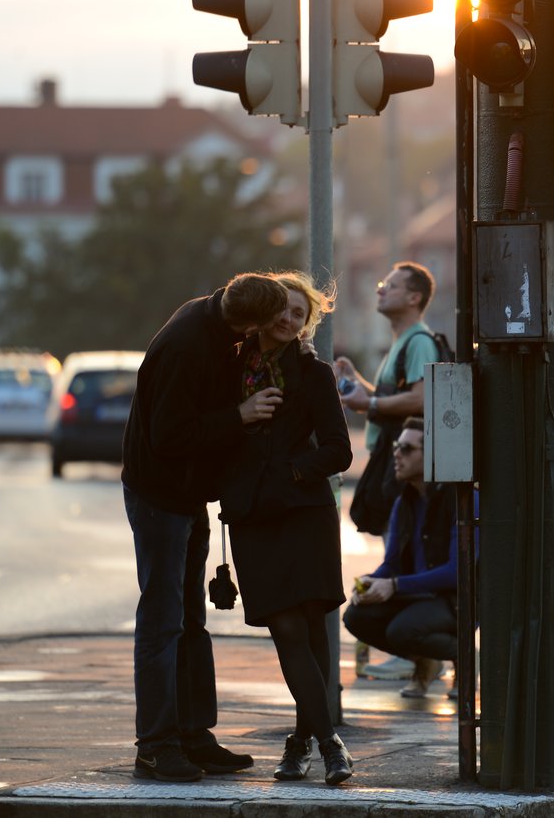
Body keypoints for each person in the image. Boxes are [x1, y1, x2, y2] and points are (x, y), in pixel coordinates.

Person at [122, 273, 289, 783]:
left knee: (189, 622)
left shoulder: (220, 326)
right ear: (249, 321)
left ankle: (192, 735)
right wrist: (239, 415)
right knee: (162, 621)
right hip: (159, 496)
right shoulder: (187, 344)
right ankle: (154, 747)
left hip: (185, 494)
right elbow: (170, 436)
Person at [219, 271, 355, 786]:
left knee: (312, 629)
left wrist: (294, 469)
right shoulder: (232, 368)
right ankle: (328, 744)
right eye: (283, 308)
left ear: (307, 324)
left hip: (304, 513)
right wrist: (241, 418)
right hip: (254, 517)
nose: (289, 319)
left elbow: (339, 450)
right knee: (287, 628)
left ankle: (305, 745)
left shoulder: (312, 374)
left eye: (301, 314)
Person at [335, 262, 440, 681]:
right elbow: (393, 395)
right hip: (391, 457)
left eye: (389, 286)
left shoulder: (419, 342)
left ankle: (415, 648)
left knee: (404, 548)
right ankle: (413, 649)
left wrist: (370, 405)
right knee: (396, 546)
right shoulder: (403, 342)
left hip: (406, 460)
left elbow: (420, 399)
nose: (380, 291)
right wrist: (359, 385)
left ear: (414, 297)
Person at [343, 418, 461, 701]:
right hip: (417, 594)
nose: (396, 454)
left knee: (402, 630)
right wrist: (374, 582)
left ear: (431, 455)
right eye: (397, 447)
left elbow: (458, 572)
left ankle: (465, 656)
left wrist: (394, 585)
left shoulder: (458, 498)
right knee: (356, 617)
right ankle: (426, 661)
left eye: (406, 449)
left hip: (453, 599)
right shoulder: (404, 501)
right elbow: (392, 562)